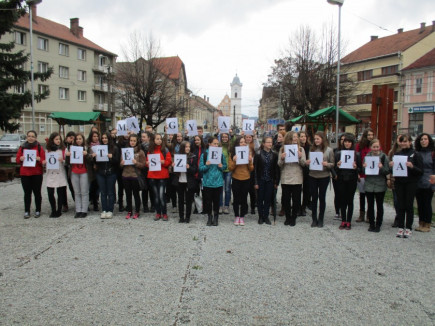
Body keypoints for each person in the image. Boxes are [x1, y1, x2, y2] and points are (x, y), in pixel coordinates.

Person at [389, 134, 423, 238]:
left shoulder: (415, 154)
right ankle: (400, 226)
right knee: (400, 205)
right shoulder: (397, 154)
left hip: (411, 183)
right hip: (399, 182)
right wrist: (391, 166)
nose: (403, 143)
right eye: (402, 141)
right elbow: (394, 171)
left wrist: (412, 166)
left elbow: (420, 171)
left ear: (409, 142)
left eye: (405, 141)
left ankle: (408, 227)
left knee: (409, 205)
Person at [305, 131, 334, 228]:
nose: (316, 141)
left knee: (322, 198)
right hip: (313, 175)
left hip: (324, 176)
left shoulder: (329, 150)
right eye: (315, 139)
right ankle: (314, 218)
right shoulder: (312, 149)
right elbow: (308, 161)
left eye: (318, 139)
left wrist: (327, 164)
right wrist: (307, 162)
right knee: (314, 198)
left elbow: (332, 163)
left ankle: (321, 218)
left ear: (322, 139)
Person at [278, 131, 306, 226]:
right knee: (286, 198)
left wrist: (300, 157)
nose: (295, 138)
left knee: (296, 199)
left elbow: (304, 164)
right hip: (286, 176)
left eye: (296, 137)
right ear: (289, 138)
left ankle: (293, 217)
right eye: (293, 137)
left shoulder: (301, 149)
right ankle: (287, 216)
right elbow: (279, 164)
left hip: (297, 177)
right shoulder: (282, 149)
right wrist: (282, 158)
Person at [16, 130, 46, 219]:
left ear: (35, 138)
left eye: (33, 136)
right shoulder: (22, 148)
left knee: (37, 192)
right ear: (27, 137)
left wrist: (39, 159)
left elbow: (43, 161)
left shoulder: (39, 147)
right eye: (29, 136)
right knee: (27, 193)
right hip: (25, 173)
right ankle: (27, 210)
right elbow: (17, 160)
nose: (31, 138)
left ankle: (38, 210)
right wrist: (20, 159)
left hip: (36, 173)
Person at [334, 134, 360, 230]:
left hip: (352, 179)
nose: (347, 143)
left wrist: (356, 167)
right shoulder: (338, 153)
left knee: (350, 200)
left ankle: (349, 221)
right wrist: (337, 165)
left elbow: (360, 169)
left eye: (349, 142)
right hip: (341, 179)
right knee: (342, 200)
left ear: (352, 143)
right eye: (345, 141)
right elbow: (335, 169)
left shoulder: (356, 154)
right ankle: (343, 220)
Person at [199, 137, 227, 226]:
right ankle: (209, 217)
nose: (216, 145)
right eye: (214, 143)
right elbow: (201, 168)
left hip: (218, 182)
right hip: (207, 182)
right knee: (208, 201)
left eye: (217, 144)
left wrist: (221, 166)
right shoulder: (204, 155)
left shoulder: (221, 154)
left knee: (216, 201)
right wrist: (207, 165)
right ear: (209, 144)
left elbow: (225, 166)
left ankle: (216, 217)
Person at [363, 139, 389, 232]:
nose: (375, 149)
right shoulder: (367, 157)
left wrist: (381, 167)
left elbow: (387, 171)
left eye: (377, 147)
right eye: (374, 147)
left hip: (380, 184)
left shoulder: (384, 157)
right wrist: (364, 167)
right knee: (370, 205)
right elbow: (363, 171)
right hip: (369, 183)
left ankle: (378, 224)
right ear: (370, 147)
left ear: (379, 147)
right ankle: (371, 223)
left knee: (379, 205)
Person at [229, 136, 254, 226]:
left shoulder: (248, 153)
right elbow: (230, 168)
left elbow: (251, 169)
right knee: (236, 198)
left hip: (246, 178)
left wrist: (250, 161)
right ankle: (236, 216)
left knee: (244, 198)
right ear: (237, 144)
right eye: (241, 142)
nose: (243, 144)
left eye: (244, 142)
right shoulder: (232, 154)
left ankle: (242, 216)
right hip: (236, 178)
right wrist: (234, 161)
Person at [254, 136, 279, 225]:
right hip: (261, 179)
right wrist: (255, 182)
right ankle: (260, 216)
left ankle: (266, 216)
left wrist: (276, 181)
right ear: (263, 143)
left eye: (271, 142)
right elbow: (255, 169)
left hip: (270, 180)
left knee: (268, 199)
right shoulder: (258, 154)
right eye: (268, 142)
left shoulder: (274, 154)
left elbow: (276, 169)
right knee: (260, 199)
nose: (269, 144)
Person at [120, 134, 146, 219]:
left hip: (135, 176)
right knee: (128, 195)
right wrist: (122, 163)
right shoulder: (124, 151)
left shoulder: (140, 152)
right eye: (131, 140)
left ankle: (137, 211)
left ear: (137, 142)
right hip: (126, 175)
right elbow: (120, 165)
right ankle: (129, 210)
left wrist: (136, 163)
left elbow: (143, 165)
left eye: (134, 141)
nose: (132, 142)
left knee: (136, 194)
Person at [94, 132, 120, 219]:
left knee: (111, 192)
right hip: (100, 172)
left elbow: (117, 161)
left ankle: (110, 210)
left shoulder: (115, 148)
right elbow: (95, 162)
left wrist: (111, 157)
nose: (104, 139)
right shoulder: (98, 148)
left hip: (111, 172)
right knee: (103, 192)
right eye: (103, 138)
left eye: (106, 138)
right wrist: (94, 157)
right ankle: (104, 209)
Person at [147, 133, 172, 221]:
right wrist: (147, 163)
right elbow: (147, 162)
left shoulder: (165, 150)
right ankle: (158, 213)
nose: (159, 140)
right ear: (153, 140)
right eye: (157, 139)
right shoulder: (150, 150)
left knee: (161, 196)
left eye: (160, 139)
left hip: (162, 176)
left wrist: (163, 162)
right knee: (156, 196)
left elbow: (169, 161)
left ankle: (164, 213)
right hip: (153, 176)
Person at [172, 141, 198, 223]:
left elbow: (195, 170)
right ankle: (181, 216)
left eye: (189, 147)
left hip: (189, 181)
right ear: (182, 148)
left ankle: (187, 217)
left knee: (188, 200)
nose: (188, 148)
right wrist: (173, 167)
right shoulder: (177, 156)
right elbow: (174, 172)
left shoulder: (193, 157)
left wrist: (189, 167)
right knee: (180, 199)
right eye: (186, 147)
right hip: (179, 181)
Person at [414, 133, 435, 232]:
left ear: (429, 141)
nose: (423, 141)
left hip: (429, 181)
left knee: (427, 203)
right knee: (420, 203)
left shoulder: (433, 153)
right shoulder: (417, 153)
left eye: (425, 139)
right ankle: (421, 222)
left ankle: (427, 223)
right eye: (421, 139)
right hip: (418, 181)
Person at [45, 132, 68, 218]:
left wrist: (63, 160)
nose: (58, 141)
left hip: (60, 173)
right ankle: (53, 209)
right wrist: (44, 162)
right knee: (50, 192)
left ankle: (59, 209)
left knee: (60, 192)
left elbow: (68, 160)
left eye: (59, 139)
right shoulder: (47, 150)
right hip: (51, 173)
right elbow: (45, 160)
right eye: (56, 139)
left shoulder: (63, 149)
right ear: (52, 140)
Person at [66, 132, 89, 218]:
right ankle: (78, 209)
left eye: (80, 139)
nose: (78, 140)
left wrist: (87, 155)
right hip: (74, 171)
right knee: (77, 192)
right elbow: (67, 162)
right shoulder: (71, 148)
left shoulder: (86, 148)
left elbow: (91, 160)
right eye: (77, 139)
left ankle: (84, 210)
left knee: (84, 192)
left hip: (84, 172)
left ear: (83, 140)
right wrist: (67, 156)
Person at [355, 128, 375, 223]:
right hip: (362, 173)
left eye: (372, 135)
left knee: (370, 195)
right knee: (362, 195)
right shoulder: (359, 146)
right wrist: (358, 172)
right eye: (369, 135)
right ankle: (361, 213)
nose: (370, 137)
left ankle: (369, 214)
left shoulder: (375, 146)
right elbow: (356, 158)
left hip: (371, 174)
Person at [387, 135, 401, 227]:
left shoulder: (410, 153)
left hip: (406, 180)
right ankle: (398, 216)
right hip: (395, 179)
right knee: (396, 200)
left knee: (404, 200)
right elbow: (387, 166)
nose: (401, 141)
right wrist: (388, 178)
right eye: (399, 139)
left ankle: (403, 217)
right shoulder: (392, 152)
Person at [332, 133, 346, 220]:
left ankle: (344, 211)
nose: (343, 142)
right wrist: (334, 174)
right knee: (337, 194)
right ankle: (337, 211)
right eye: (342, 140)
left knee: (344, 194)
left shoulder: (351, 151)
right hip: (337, 175)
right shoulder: (335, 151)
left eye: (345, 140)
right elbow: (332, 164)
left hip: (346, 175)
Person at [140, 131, 155, 213]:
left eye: (144, 137)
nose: (142, 138)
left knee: (152, 189)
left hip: (152, 170)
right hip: (143, 170)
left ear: (149, 138)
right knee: (144, 189)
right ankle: (145, 206)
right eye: (142, 137)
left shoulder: (153, 147)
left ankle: (153, 205)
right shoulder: (140, 147)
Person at [245, 133, 260, 214]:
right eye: (246, 137)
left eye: (249, 137)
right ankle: (245, 206)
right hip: (244, 169)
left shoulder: (254, 146)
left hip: (252, 169)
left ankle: (253, 207)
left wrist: (255, 138)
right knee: (244, 190)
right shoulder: (242, 145)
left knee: (252, 190)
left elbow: (258, 148)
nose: (248, 138)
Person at [86, 130, 100, 212]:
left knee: (97, 187)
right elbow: (86, 158)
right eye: (94, 136)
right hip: (90, 169)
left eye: (97, 136)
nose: (96, 138)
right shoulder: (88, 146)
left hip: (99, 168)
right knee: (91, 187)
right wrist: (91, 156)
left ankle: (95, 202)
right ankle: (91, 202)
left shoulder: (100, 145)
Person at [298, 131, 311, 216]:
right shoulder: (297, 147)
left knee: (307, 190)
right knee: (298, 189)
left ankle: (304, 206)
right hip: (299, 169)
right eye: (301, 136)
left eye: (304, 136)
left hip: (307, 170)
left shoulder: (310, 147)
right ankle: (298, 207)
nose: (303, 138)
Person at [63, 131, 76, 211]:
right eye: (70, 138)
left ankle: (77, 202)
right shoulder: (63, 146)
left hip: (73, 168)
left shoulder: (77, 146)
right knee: (64, 186)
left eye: (73, 138)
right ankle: (64, 204)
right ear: (66, 138)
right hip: (65, 167)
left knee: (74, 187)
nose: (72, 140)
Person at [219, 132, 232, 214]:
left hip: (228, 170)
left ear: (228, 138)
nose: (224, 138)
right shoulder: (218, 147)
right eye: (223, 137)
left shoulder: (230, 147)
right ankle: (220, 205)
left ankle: (226, 206)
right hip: (220, 170)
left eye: (226, 137)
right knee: (220, 188)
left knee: (227, 189)